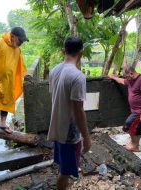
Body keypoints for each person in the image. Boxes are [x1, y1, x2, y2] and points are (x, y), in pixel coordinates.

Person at [48, 37, 91, 190]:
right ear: (81, 52)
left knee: (63, 167)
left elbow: (56, 97)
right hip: (69, 133)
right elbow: (78, 110)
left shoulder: (55, 71)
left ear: (63, 50)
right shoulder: (77, 76)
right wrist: (86, 137)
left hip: (58, 127)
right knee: (65, 172)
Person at [108, 66, 141, 152]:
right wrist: (113, 77)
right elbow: (122, 81)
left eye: (126, 76)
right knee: (136, 128)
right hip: (135, 111)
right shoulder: (130, 81)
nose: (126, 78)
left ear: (131, 73)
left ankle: (135, 145)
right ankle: (134, 143)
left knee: (129, 124)